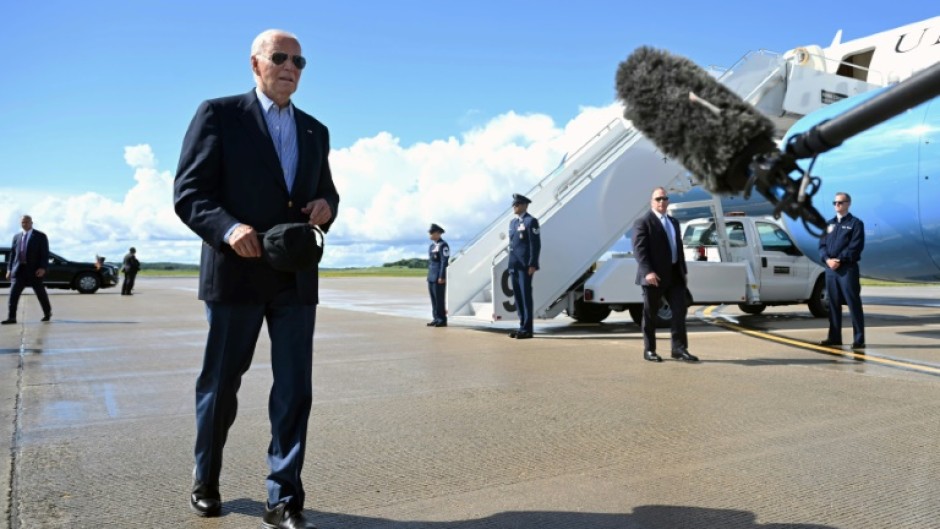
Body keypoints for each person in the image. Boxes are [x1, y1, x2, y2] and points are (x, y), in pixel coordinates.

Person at [173, 29, 339, 529]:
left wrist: (326, 207)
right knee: (221, 386)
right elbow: (190, 193)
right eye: (280, 57)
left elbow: (328, 194)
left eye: (299, 61)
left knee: (294, 389)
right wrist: (229, 228)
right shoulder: (219, 114)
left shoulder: (315, 130)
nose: (291, 67)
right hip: (236, 274)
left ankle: (284, 497)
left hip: (294, 278)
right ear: (256, 64)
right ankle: (206, 479)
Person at [633, 188, 697, 363]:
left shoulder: (674, 222)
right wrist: (648, 272)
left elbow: (678, 248)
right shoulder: (643, 222)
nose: (662, 201)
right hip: (654, 277)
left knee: (679, 311)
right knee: (650, 314)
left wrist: (683, 271)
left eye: (665, 198)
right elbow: (639, 250)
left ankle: (679, 349)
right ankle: (649, 350)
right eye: (658, 198)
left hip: (675, 275)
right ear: (651, 201)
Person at [818, 192, 865, 350]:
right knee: (833, 305)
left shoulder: (855, 224)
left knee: (853, 304)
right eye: (835, 202)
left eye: (840, 202)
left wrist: (840, 259)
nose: (837, 205)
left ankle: (859, 339)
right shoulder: (828, 224)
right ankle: (834, 337)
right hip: (830, 269)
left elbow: (855, 246)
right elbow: (822, 246)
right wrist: (827, 259)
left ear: (848, 204)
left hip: (847, 269)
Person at [3, 215, 52, 324]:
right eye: (22, 222)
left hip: (35, 271)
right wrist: (9, 270)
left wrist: (43, 267)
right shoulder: (16, 237)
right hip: (19, 270)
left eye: (26, 222)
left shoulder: (40, 236)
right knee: (13, 294)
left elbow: (45, 254)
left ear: (31, 223)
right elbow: (13, 255)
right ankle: (12, 318)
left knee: (40, 294)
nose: (24, 224)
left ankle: (47, 313)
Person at [507, 193, 541, 339]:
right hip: (514, 265)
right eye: (514, 204)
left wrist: (533, 263)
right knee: (518, 297)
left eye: (517, 204)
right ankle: (522, 326)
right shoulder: (512, 223)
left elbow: (535, 244)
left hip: (525, 266)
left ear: (524, 205)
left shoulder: (531, 221)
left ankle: (528, 329)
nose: (514, 206)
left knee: (526, 296)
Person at [426, 223, 449, 327]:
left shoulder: (443, 245)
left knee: (439, 299)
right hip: (431, 277)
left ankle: (442, 320)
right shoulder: (432, 246)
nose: (430, 235)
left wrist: (442, 276)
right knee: (433, 299)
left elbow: (444, 262)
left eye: (431, 233)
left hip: (438, 277)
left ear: (438, 233)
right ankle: (435, 318)